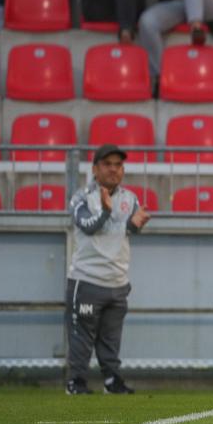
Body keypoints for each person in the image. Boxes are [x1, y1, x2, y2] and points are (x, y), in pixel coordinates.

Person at [65, 144, 151, 395]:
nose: (113, 169)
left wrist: (137, 225)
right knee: (82, 335)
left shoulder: (130, 198)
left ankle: (112, 381)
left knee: (111, 337)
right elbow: (88, 225)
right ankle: (76, 383)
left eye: (118, 165)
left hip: (118, 281)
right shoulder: (81, 197)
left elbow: (126, 231)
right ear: (94, 169)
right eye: (107, 164)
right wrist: (104, 210)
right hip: (87, 281)